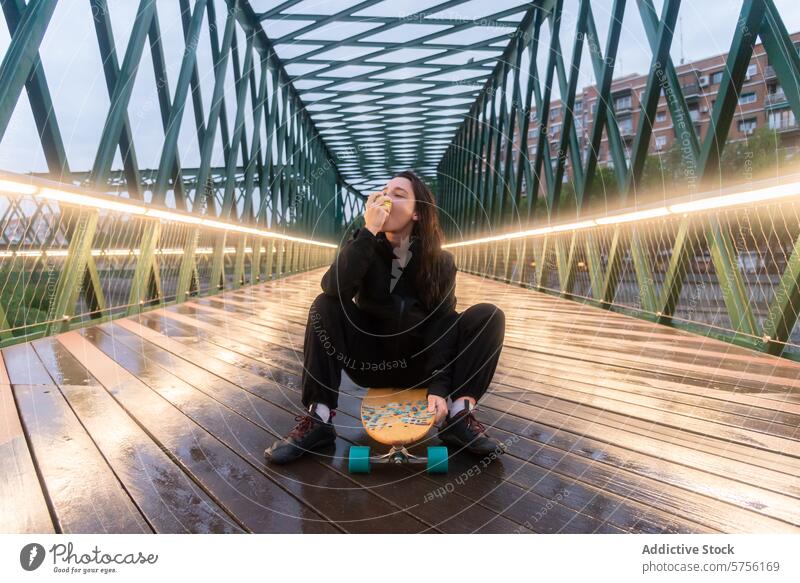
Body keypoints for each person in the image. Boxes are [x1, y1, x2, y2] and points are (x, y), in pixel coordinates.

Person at [264, 170, 506, 464]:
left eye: (398, 194)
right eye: (383, 192)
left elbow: (443, 326)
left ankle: (458, 416)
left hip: (420, 367)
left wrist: (439, 388)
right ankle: (320, 417)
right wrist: (368, 232)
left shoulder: (441, 263)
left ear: (418, 213)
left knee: (488, 316)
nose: (386, 199)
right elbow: (333, 287)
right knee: (324, 305)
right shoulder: (364, 244)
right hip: (371, 362)